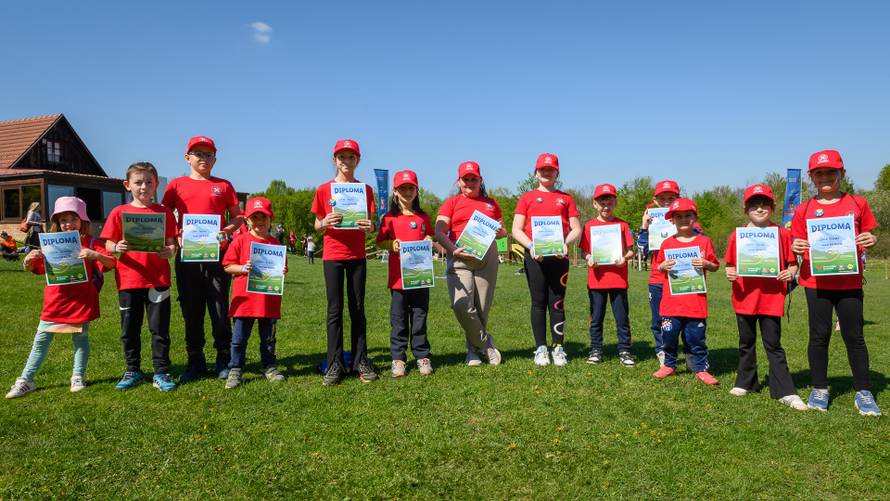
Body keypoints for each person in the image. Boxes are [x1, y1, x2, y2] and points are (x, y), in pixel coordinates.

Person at [791, 149, 881, 416]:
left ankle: (863, 392)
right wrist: (796, 245)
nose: (826, 177)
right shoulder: (803, 209)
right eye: (819, 173)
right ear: (812, 178)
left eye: (831, 171)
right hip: (815, 282)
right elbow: (796, 243)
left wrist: (870, 239)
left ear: (842, 173)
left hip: (848, 281)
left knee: (854, 336)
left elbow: (868, 234)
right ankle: (820, 388)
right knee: (819, 337)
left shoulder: (857, 203)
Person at [5, 197, 115, 398]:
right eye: (63, 220)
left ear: (83, 220)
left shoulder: (91, 242)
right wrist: (28, 261)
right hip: (55, 302)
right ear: (56, 222)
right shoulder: (50, 244)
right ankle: (26, 380)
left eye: (73, 218)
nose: (68, 224)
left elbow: (111, 263)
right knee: (41, 341)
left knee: (80, 340)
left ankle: (78, 376)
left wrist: (95, 255)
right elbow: (35, 269)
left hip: (81, 302)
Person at [162, 135, 244, 382]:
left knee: (219, 307)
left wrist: (227, 231)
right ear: (187, 158)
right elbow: (164, 215)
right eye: (198, 153)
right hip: (188, 256)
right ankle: (195, 360)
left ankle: (223, 359)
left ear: (215, 159)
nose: (203, 158)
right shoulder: (176, 185)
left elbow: (238, 217)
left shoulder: (225, 186)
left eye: (208, 154)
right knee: (191, 309)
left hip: (218, 256)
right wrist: (174, 236)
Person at [723, 184, 806, 410]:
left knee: (773, 344)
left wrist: (790, 272)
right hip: (744, 298)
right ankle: (746, 382)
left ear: (772, 208)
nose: (760, 209)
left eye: (765, 205)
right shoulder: (737, 235)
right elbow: (729, 265)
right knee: (746, 343)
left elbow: (792, 265)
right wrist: (729, 273)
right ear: (745, 209)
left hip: (771, 298)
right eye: (754, 205)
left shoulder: (782, 234)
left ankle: (784, 390)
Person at [101, 162, 179, 392]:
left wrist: (170, 251)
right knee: (129, 330)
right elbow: (107, 243)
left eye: (148, 182)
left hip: (158, 280)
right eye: (138, 182)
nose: (143, 187)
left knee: (160, 330)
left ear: (156, 185)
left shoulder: (164, 213)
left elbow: (173, 244)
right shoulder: (119, 212)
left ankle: (162, 372)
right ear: (127, 185)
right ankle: (132, 370)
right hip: (128, 281)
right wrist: (117, 247)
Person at [311, 139, 378, 385]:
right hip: (333, 256)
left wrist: (371, 226)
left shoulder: (366, 190)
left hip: (357, 256)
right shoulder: (323, 189)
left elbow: (371, 225)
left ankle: (361, 360)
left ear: (358, 160)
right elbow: (317, 225)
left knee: (358, 309)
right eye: (342, 157)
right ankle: (334, 363)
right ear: (334, 160)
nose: (346, 161)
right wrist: (324, 221)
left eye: (351, 157)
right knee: (334, 310)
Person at [510, 153, 581, 366]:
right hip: (535, 258)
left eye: (551, 169)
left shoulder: (566, 198)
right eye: (543, 169)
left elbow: (577, 228)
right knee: (538, 303)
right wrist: (531, 246)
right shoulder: (527, 197)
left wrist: (565, 244)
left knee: (557, 302)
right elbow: (516, 229)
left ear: (557, 172)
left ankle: (558, 347)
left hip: (559, 258)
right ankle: (541, 348)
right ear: (536, 172)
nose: (547, 172)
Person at [435, 161, 508, 366]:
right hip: (459, 256)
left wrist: (502, 233)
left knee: (481, 307)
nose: (469, 182)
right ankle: (487, 344)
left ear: (480, 180)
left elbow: (502, 232)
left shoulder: (491, 203)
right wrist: (451, 249)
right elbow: (439, 231)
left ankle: (473, 352)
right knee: (462, 305)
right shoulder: (451, 203)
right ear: (458, 182)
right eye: (465, 179)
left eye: (473, 178)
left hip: (487, 258)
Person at [651, 198, 720, 385]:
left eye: (688, 215)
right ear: (672, 220)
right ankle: (669, 365)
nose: (683, 220)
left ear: (695, 217)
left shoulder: (704, 241)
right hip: (671, 303)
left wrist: (707, 264)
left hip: (695, 303)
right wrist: (663, 266)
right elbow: (657, 268)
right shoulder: (666, 244)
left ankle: (700, 368)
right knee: (669, 337)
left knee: (696, 338)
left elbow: (715, 266)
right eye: (678, 216)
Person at [222, 197, 287, 389]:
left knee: (268, 338)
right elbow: (227, 266)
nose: (259, 221)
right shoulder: (240, 241)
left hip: (268, 301)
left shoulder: (275, 243)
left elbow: (282, 268)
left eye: (263, 217)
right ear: (247, 220)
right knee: (239, 339)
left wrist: (281, 271)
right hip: (245, 302)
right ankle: (235, 369)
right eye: (254, 217)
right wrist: (243, 268)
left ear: (270, 220)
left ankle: (269, 367)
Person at [377, 170, 435, 377]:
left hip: (420, 277)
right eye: (403, 188)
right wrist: (391, 244)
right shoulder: (389, 218)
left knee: (419, 317)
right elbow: (379, 241)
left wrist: (429, 239)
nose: (407, 192)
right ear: (395, 191)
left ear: (416, 191)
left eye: (411, 188)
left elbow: (431, 235)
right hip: (398, 280)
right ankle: (398, 358)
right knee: (399, 320)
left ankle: (422, 355)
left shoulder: (423, 216)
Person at [638, 180, 695, 367]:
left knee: (687, 319)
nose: (666, 202)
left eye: (670, 198)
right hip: (658, 279)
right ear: (655, 200)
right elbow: (642, 251)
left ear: (677, 198)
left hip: (682, 277)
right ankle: (662, 350)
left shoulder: (686, 219)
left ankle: (691, 353)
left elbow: (699, 241)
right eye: (662, 198)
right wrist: (644, 227)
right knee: (659, 320)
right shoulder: (650, 220)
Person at [579, 183, 636, 366]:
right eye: (602, 203)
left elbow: (630, 250)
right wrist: (588, 258)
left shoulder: (622, 225)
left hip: (618, 279)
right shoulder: (589, 227)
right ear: (595, 204)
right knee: (596, 318)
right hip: (596, 280)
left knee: (621, 318)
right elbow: (584, 251)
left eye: (610, 203)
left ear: (615, 204)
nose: (606, 207)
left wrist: (624, 259)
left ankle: (625, 350)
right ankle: (596, 349)